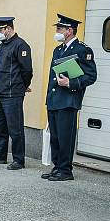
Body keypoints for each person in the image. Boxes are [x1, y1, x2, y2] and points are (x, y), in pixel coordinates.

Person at [43, 14, 97, 181]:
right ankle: (57, 166)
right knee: (56, 137)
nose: (57, 31)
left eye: (59, 28)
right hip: (54, 99)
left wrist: (70, 83)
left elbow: (91, 76)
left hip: (68, 100)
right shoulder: (58, 49)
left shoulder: (82, 49)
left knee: (66, 137)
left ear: (69, 31)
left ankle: (65, 170)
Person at [0, 17, 33, 170]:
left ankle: (18, 160)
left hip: (13, 93)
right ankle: (0, 155)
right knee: (0, 126)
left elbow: (27, 70)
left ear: (9, 29)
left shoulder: (21, 45)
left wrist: (23, 86)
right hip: (0, 91)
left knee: (15, 128)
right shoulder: (3, 45)